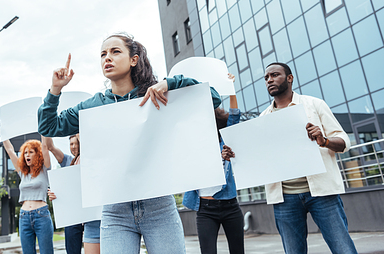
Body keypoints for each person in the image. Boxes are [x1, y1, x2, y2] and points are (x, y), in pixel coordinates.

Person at [38, 33, 221, 254]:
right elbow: (49, 127)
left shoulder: (158, 93)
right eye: (103, 54)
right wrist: (55, 90)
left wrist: (171, 84)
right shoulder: (93, 105)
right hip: (115, 211)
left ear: (134, 59)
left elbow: (212, 98)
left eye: (115, 52)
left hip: (158, 206)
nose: (107, 58)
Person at [222, 62, 357, 254]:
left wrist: (324, 140)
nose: (269, 80)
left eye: (275, 75)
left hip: (322, 194)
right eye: (266, 77)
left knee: (343, 248)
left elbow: (344, 141)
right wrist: (233, 155)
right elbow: (258, 156)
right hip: (285, 199)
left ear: (290, 78)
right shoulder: (263, 117)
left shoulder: (314, 105)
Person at [183, 73, 244, 254]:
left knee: (237, 251)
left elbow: (234, 116)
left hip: (230, 205)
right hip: (204, 209)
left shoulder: (224, 140)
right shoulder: (191, 144)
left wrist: (231, 90)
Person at [0, 122, 54, 254]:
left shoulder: (45, 169)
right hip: (24, 217)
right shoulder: (22, 173)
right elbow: (10, 150)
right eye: (25, 153)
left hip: (41, 215)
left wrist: (43, 124)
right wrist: (3, 132)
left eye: (31, 152)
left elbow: (45, 146)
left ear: (38, 154)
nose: (27, 155)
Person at [47, 134, 101, 254]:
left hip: (91, 215)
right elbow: (50, 146)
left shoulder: (89, 159)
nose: (74, 146)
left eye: (77, 143)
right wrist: (55, 194)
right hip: (74, 217)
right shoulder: (67, 161)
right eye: (71, 144)